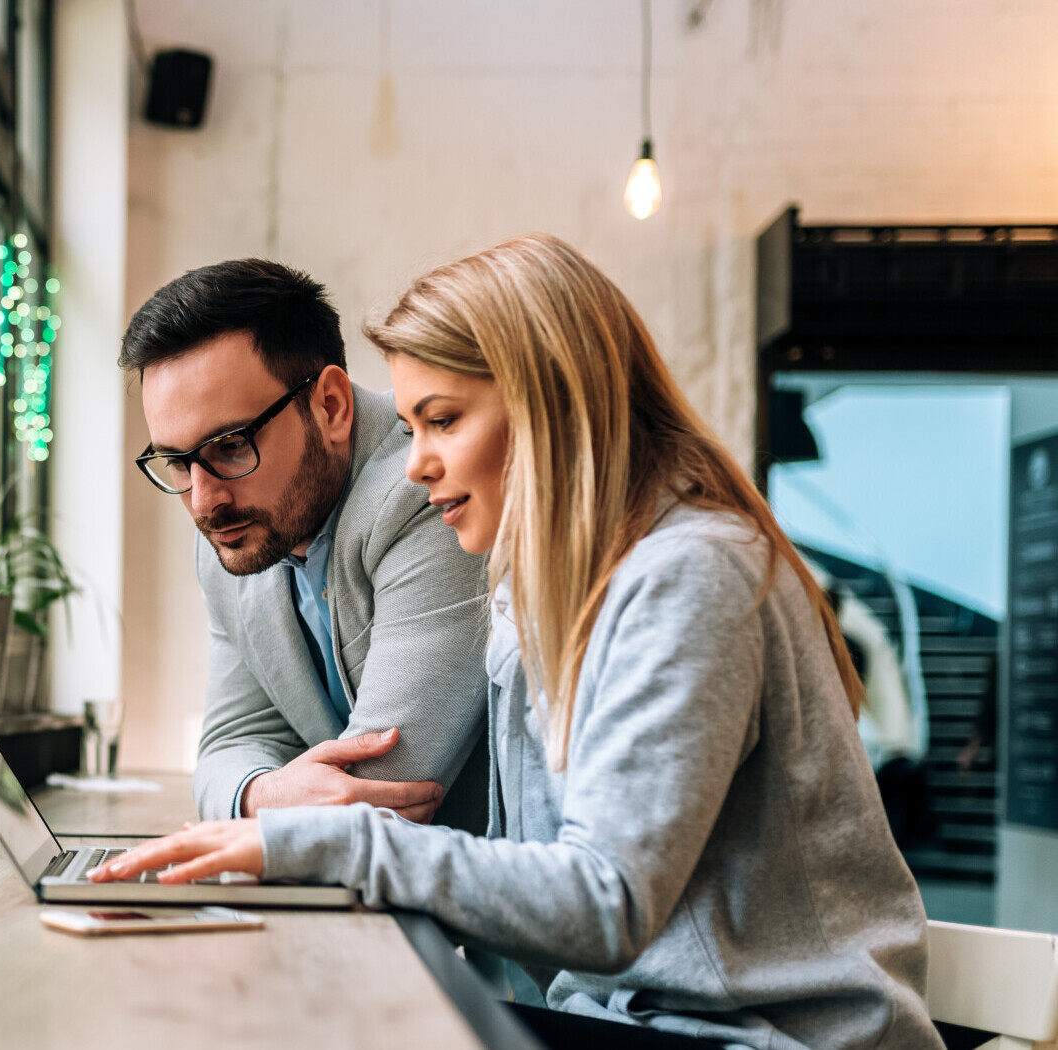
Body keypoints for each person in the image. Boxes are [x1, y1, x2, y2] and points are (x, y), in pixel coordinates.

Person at [95, 235, 942, 1050]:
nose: (415, 463)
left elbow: (605, 900)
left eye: (442, 421)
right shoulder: (537, 589)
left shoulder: (689, 574)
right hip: (627, 1017)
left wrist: (313, 834)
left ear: (552, 408)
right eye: (416, 426)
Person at [121, 259, 491, 830]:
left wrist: (265, 802)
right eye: (176, 462)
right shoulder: (237, 535)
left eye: (231, 446)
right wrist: (261, 795)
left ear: (331, 407)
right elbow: (230, 744)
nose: (202, 502)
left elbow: (385, 788)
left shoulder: (434, 492)